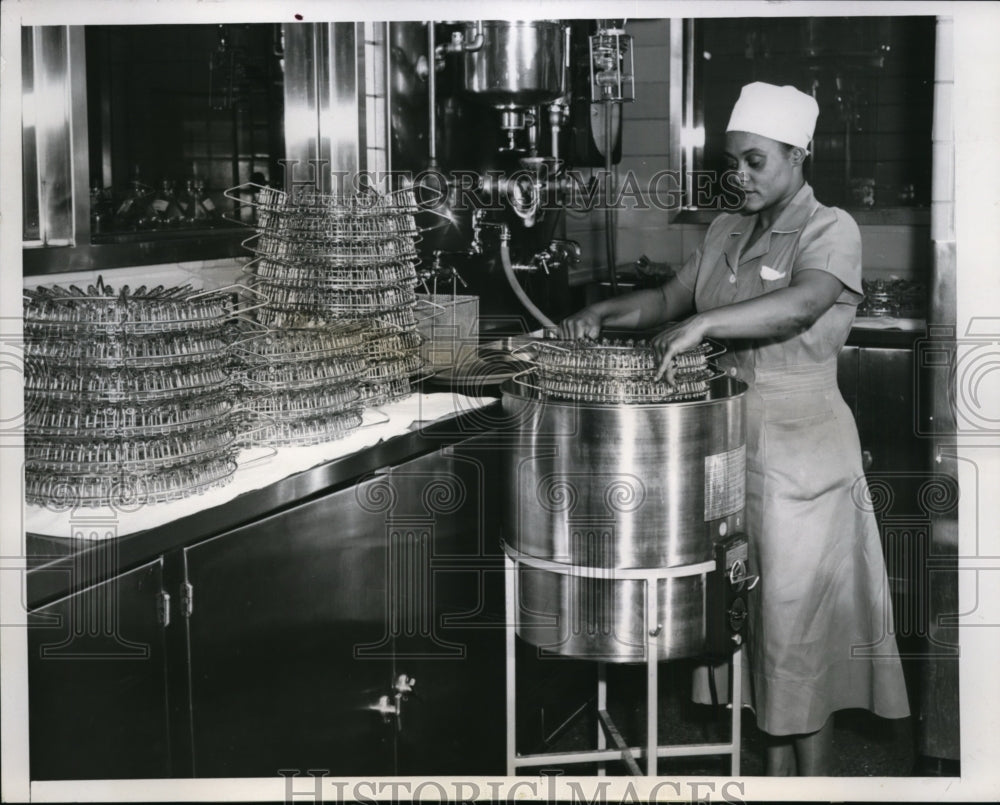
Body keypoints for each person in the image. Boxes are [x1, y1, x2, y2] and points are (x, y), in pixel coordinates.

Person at [559, 82, 910, 775]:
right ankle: (775, 780)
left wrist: (706, 323)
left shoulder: (829, 228)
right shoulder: (726, 230)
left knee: (797, 634)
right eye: (733, 161)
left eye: (755, 161)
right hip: (726, 451)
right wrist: (600, 314)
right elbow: (666, 298)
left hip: (801, 456)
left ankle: (812, 785)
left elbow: (801, 304)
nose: (738, 175)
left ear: (797, 155)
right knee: (746, 625)